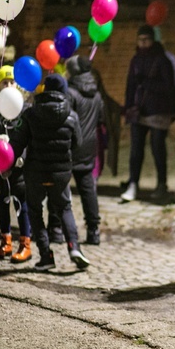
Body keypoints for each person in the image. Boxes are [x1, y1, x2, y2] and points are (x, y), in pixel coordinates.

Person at [9, 74, 90, 271]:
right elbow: (78, 144)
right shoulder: (71, 115)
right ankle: (74, 247)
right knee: (64, 208)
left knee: (35, 212)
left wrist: (8, 164)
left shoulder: (30, 113)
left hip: (35, 173)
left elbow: (18, 143)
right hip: (60, 172)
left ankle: (46, 256)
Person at [120, 24, 175, 202]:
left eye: (146, 40)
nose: (143, 43)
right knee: (136, 150)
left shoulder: (162, 60)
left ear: (153, 41)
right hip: (139, 111)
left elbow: (169, 87)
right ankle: (133, 183)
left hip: (158, 111)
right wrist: (128, 106)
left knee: (157, 148)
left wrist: (147, 84)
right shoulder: (136, 59)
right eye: (140, 40)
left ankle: (161, 184)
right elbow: (130, 85)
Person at [0, 65, 32, 263]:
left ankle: (25, 243)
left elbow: (30, 136)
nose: (9, 85)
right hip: (1, 167)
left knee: (21, 203)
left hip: (19, 166)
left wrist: (23, 155)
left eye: (12, 82)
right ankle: (5, 240)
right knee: (2, 203)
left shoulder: (25, 110)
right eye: (5, 82)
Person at [65, 54, 105, 245]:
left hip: (70, 146)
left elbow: (65, 120)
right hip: (90, 146)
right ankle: (93, 231)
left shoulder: (70, 93)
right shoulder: (96, 94)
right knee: (88, 189)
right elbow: (100, 120)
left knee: (61, 189)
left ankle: (57, 229)